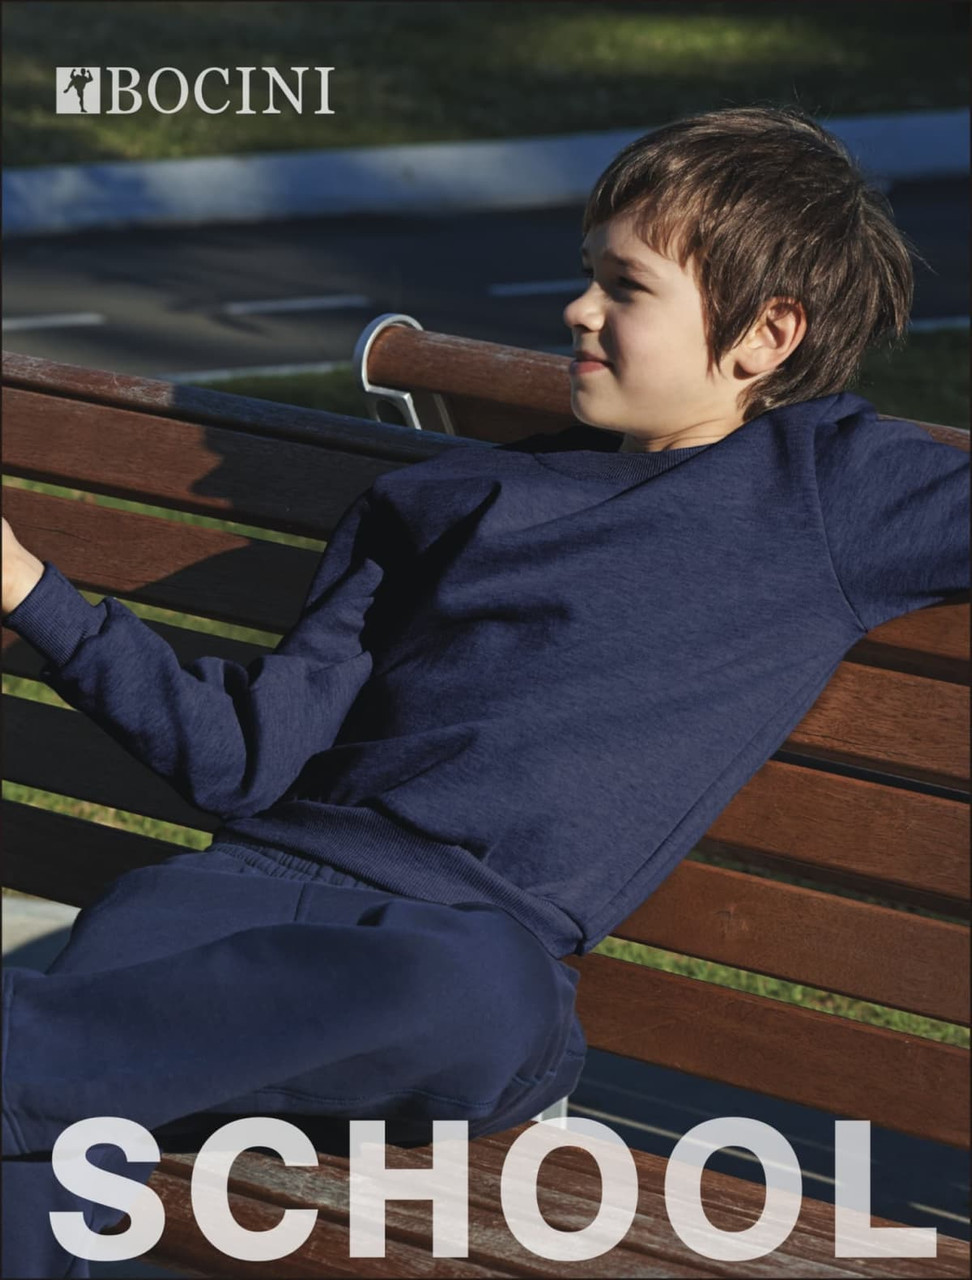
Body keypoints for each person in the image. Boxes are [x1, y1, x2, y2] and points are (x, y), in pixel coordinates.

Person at [2, 103, 968, 1277]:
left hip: (451, 957)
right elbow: (242, 759)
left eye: (626, 286)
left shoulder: (830, 495)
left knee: (487, 994)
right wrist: (28, 589)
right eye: (585, 275)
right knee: (52, 1124)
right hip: (228, 913)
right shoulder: (447, 499)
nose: (577, 309)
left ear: (766, 334)